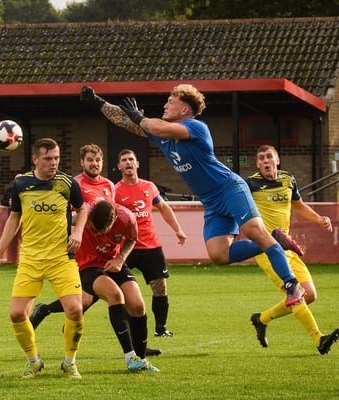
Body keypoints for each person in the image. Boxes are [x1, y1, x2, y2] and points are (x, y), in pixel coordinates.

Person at [80, 84, 306, 308]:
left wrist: (140, 116)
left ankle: (292, 284)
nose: (166, 105)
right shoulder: (164, 135)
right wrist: (97, 101)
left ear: (184, 110)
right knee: (219, 255)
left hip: (230, 188)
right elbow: (125, 120)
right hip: (212, 202)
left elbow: (151, 125)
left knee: (254, 232)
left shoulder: (196, 128)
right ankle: (277, 239)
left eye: (171, 101)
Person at [29, 144, 161, 357]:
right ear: (82, 162)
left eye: (98, 160)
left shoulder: (109, 185)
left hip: (111, 254)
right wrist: (75, 231)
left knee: (131, 304)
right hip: (86, 254)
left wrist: (119, 257)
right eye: (90, 160)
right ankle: (132, 355)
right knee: (100, 298)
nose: (94, 164)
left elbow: (115, 216)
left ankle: (139, 348)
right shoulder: (74, 184)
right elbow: (65, 215)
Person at [0, 138, 88, 379]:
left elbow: (83, 209)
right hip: (30, 258)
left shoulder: (67, 183)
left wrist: (78, 231)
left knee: (75, 309)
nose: (54, 163)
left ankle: (70, 362)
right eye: (48, 158)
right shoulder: (21, 184)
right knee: (16, 313)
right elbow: (13, 218)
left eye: (57, 158)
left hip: (61, 258)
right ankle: (34, 361)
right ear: (35, 159)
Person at [246, 145, 338, 354]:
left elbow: (298, 205)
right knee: (295, 294)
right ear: (257, 164)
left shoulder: (289, 179)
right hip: (266, 249)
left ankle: (261, 319)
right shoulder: (250, 184)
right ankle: (319, 338)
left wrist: (318, 218)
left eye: (269, 156)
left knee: (310, 295)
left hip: (286, 246)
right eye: (261, 158)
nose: (265, 160)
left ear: (277, 160)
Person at [77, 200, 159, 372]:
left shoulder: (127, 218)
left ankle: (141, 359)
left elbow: (131, 240)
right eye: (94, 229)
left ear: (113, 222)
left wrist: (120, 259)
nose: (98, 234)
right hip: (88, 265)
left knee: (137, 305)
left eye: (102, 231)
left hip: (113, 262)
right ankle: (130, 357)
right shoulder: (81, 214)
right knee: (115, 295)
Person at [115, 148, 187, 337]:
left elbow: (163, 208)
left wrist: (178, 230)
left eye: (131, 159)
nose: (128, 163)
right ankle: (128, 330)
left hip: (151, 246)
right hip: (125, 248)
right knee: (119, 291)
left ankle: (161, 329)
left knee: (160, 287)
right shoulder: (115, 191)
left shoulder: (149, 187)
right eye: (124, 160)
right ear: (119, 166)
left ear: (137, 164)